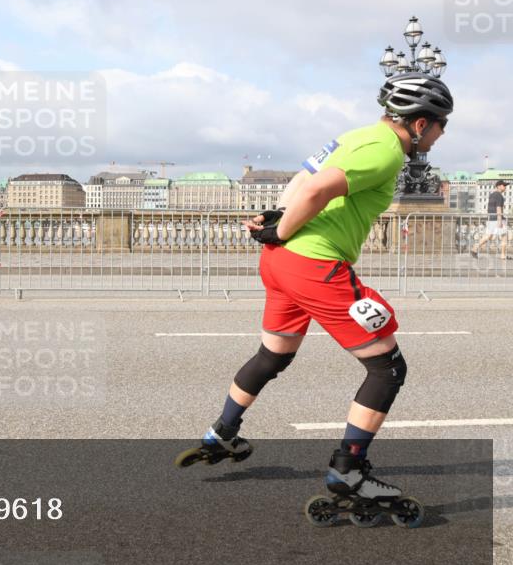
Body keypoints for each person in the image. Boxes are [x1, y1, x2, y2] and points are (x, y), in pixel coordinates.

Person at [184, 72, 453, 502]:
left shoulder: (353, 137)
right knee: (388, 368)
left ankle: (222, 433)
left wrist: (276, 221)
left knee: (273, 354)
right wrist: (280, 229)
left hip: (281, 264)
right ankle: (348, 472)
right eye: (441, 125)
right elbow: (319, 187)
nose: (441, 135)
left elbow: (300, 180)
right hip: (315, 265)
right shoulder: (386, 151)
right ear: (421, 123)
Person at [470, 180, 508, 260]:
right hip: (498, 218)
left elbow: (490, 208)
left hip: (491, 218)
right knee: (504, 236)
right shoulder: (499, 196)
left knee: (488, 236)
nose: (505, 187)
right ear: (498, 186)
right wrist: (500, 221)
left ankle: (474, 248)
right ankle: (503, 255)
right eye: (503, 185)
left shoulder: (492, 195)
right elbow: (498, 208)